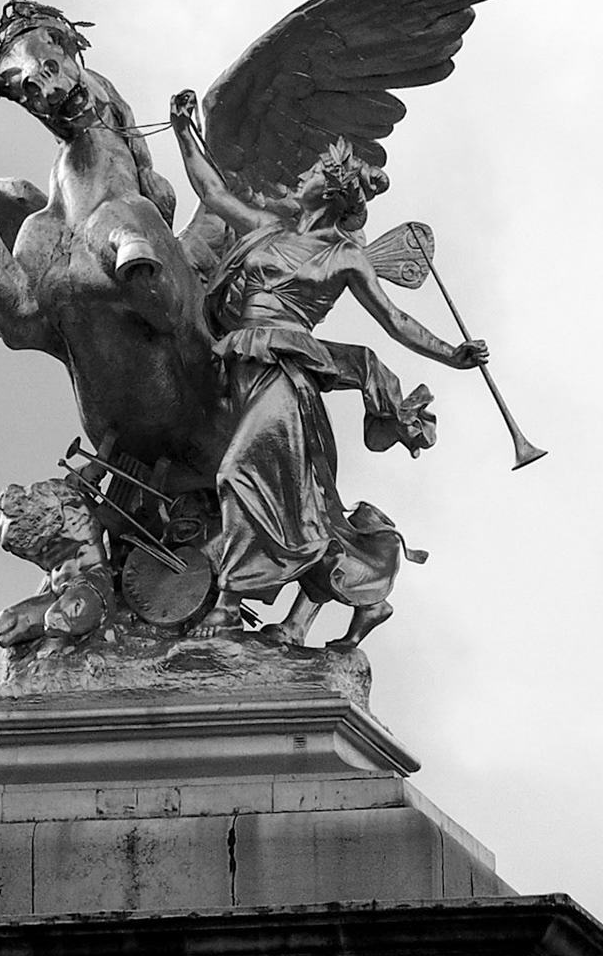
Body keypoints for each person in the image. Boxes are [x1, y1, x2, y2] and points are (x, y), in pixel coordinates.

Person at [168, 91, 488, 646]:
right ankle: (338, 591)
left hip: (287, 378)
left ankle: (226, 602)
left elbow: (394, 320)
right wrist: (182, 130)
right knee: (295, 500)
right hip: (240, 365)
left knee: (238, 473)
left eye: (315, 170)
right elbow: (212, 191)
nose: (303, 174)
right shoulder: (266, 226)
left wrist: (451, 355)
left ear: (333, 188)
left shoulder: (345, 257)